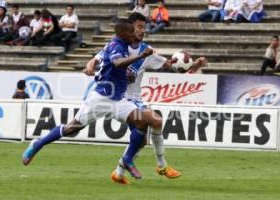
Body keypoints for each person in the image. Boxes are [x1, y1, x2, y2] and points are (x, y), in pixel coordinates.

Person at [22, 19, 162, 181]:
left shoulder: (124, 45)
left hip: (119, 100)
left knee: (143, 121)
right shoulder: (116, 45)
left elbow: (110, 65)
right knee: (72, 129)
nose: (134, 34)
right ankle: (38, 144)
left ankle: (127, 160)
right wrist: (140, 56)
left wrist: (126, 73)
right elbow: (117, 63)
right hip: (102, 98)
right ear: (122, 34)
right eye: (131, 32)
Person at [84, 13, 206, 184]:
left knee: (141, 140)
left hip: (134, 100)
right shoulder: (116, 46)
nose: (143, 31)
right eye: (139, 27)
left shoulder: (146, 51)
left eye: (144, 27)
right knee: (155, 121)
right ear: (130, 29)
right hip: (119, 100)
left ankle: (119, 172)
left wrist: (193, 66)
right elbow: (96, 59)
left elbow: (171, 65)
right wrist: (90, 64)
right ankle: (161, 165)